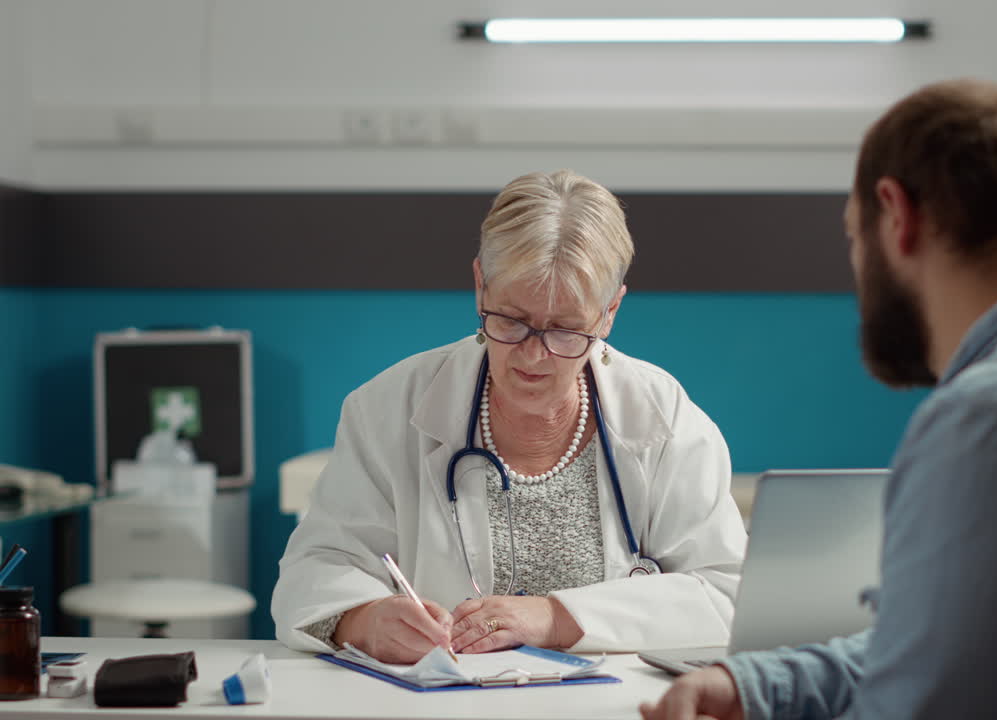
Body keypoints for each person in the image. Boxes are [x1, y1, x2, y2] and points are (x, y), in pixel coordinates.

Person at [642, 79, 997, 719]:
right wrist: (755, 687)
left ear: (897, 216)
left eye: (853, 239)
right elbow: (934, 648)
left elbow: (917, 705)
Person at [273, 169, 746, 661]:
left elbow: (727, 593)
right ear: (481, 286)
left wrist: (555, 617)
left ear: (609, 313)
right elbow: (313, 570)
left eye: (565, 330)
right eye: (512, 320)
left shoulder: (661, 419)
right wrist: (363, 621)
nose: (533, 355)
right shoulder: (388, 408)